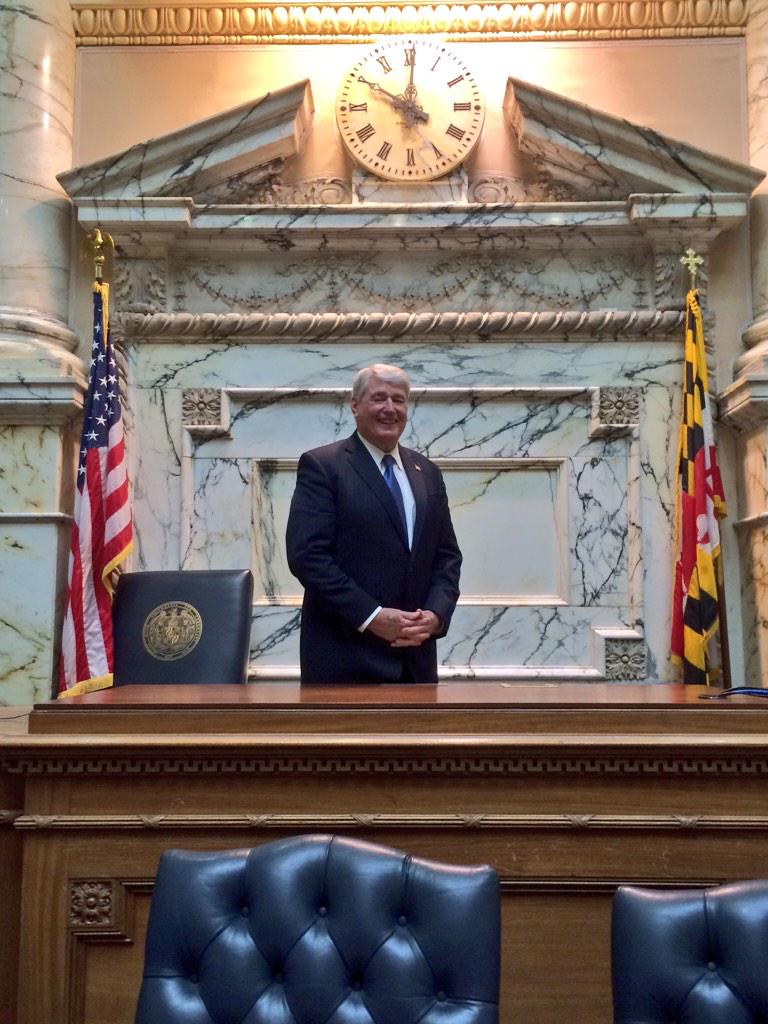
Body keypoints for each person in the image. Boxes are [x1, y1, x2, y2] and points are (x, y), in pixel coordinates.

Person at [286, 364, 462, 684]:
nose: (390, 409)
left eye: (399, 400)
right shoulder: (323, 466)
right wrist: (371, 617)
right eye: (379, 398)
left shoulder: (427, 471)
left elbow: (447, 556)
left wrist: (435, 616)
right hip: (345, 659)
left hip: (416, 661)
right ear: (355, 405)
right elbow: (308, 556)